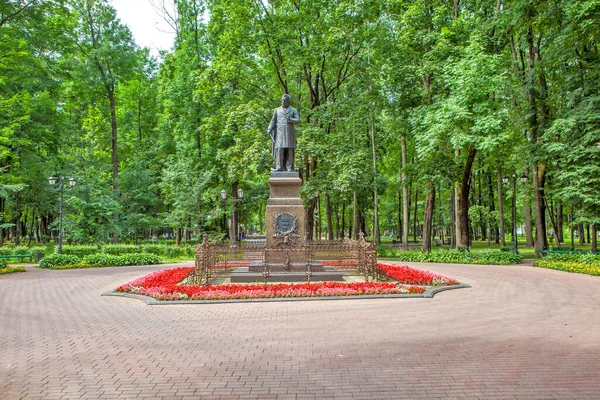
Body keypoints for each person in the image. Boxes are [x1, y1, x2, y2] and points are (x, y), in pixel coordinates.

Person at [268, 94, 300, 171]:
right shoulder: (277, 110)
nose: (283, 102)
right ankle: (279, 166)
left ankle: (289, 168)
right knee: (279, 149)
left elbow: (298, 120)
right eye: (282, 100)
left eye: (285, 100)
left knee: (290, 149)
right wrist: (269, 128)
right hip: (280, 133)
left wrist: (291, 119)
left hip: (289, 133)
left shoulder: (293, 110)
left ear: (288, 101)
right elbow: (273, 120)